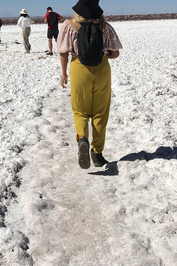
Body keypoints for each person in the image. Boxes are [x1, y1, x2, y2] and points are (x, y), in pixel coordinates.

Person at [57, 0, 122, 169]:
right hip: (101, 70)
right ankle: (97, 154)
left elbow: (63, 51)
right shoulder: (104, 26)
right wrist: (104, 54)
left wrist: (64, 73)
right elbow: (115, 53)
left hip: (79, 68)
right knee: (100, 112)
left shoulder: (69, 25)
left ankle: (83, 138)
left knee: (80, 110)